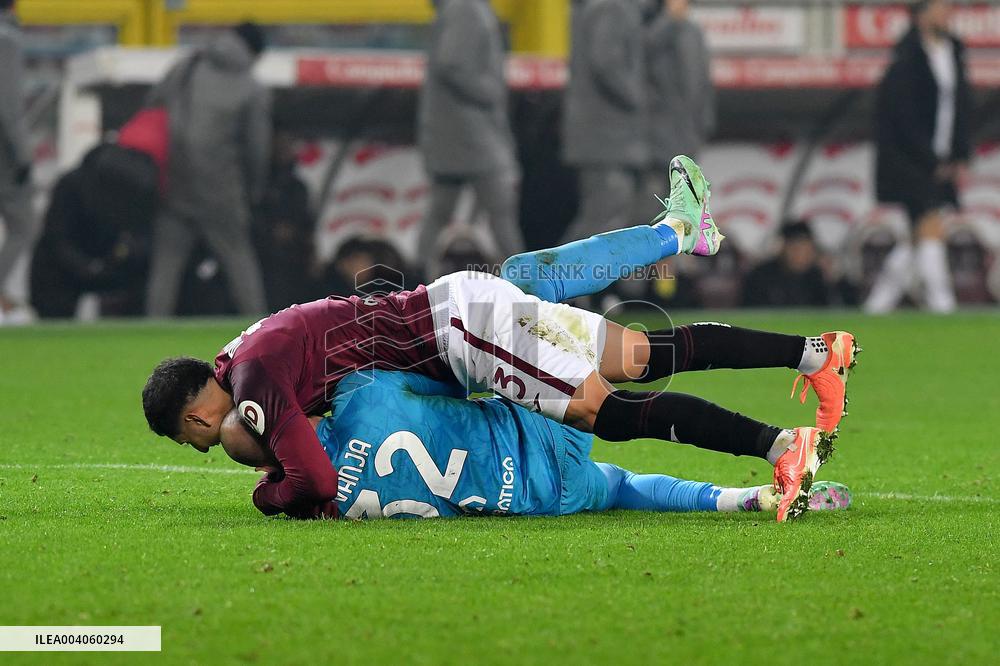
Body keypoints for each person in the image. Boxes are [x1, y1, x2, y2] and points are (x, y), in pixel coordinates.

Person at [142, 156, 858, 523]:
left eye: (190, 436)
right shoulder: (246, 351)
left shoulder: (251, 390)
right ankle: (812, 353)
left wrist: (269, 498)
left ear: (195, 416)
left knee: (600, 411)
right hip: (460, 309)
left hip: (462, 336)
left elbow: (317, 482)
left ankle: (777, 446)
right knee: (642, 355)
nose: (204, 444)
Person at [218, 369, 853, 520]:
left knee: (625, 488)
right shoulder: (362, 392)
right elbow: (453, 370)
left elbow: (283, 489)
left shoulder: (315, 503)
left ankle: (747, 501)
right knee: (631, 362)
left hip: (540, 496)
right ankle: (789, 396)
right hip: (539, 427)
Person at [145, 22, 271, 317]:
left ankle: (151, 330)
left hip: (175, 183)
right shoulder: (252, 86)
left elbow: (153, 105)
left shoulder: (188, 66)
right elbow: (257, 149)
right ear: (254, 52)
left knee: (166, 266)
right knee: (239, 260)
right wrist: (253, 191)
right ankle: (260, 332)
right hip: (222, 189)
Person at [867, 0, 972, 314]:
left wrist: (959, 154)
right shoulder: (906, 57)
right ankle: (943, 303)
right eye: (941, 7)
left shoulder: (954, 51)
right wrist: (931, 160)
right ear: (921, 13)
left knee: (918, 232)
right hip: (910, 159)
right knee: (929, 223)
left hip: (940, 158)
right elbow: (903, 118)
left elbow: (962, 108)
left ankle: (879, 302)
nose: (948, 13)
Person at [416, 0, 522, 275]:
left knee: (440, 212)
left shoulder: (461, 7)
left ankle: (412, 286)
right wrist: (493, 92)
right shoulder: (466, 7)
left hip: (457, 133)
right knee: (502, 212)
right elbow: (452, 64)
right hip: (472, 134)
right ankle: (527, 285)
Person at [561, 0, 653, 242]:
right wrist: (638, 97)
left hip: (602, 136)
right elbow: (606, 61)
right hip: (606, 137)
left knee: (604, 217)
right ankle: (555, 276)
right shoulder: (613, 7)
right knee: (602, 217)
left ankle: (559, 275)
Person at [30, 144, 157, 318]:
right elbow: (57, 238)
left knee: (145, 277)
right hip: (64, 267)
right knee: (51, 279)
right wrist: (86, 267)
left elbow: (144, 236)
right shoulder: (72, 186)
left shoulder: (138, 189)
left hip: (117, 264)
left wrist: (124, 255)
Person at [641, 0, 714, 225]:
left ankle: (675, 257)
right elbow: (640, 54)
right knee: (650, 207)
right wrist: (669, 20)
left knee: (685, 208)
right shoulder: (649, 24)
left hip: (687, 133)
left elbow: (702, 83)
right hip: (654, 138)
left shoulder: (693, 31)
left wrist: (703, 124)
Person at [0, 0, 38, 324]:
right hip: (4, 158)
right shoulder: (6, 39)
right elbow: (9, 106)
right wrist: (23, 156)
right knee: (23, 226)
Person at [254, 129, 315, 310]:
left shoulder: (298, 186)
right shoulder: (259, 185)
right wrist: (269, 231)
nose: (284, 151)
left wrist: (297, 235)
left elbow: (306, 220)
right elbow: (253, 216)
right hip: (264, 254)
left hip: (294, 257)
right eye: (279, 146)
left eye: (288, 146)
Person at [743, 221, 830, 308]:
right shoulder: (760, 277)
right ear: (782, 248)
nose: (800, 255)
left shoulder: (817, 278)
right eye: (795, 249)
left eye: (806, 250)